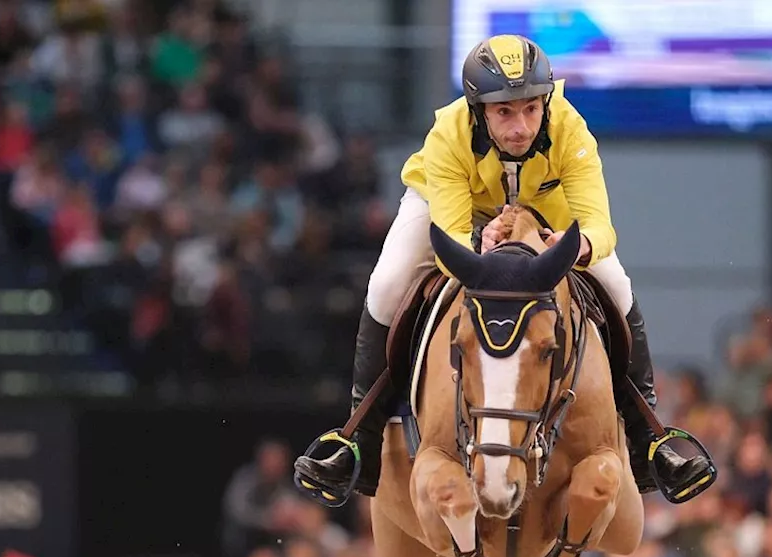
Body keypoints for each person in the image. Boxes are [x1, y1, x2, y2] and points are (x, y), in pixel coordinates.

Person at [294, 34, 715, 505]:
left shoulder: (571, 129)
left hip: (546, 213)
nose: (521, 126)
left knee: (616, 285)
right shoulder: (448, 134)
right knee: (388, 283)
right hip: (455, 211)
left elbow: (599, 224)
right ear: (479, 110)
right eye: (504, 112)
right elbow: (450, 236)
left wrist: (579, 247)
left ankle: (649, 441)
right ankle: (358, 441)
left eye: (532, 109)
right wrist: (479, 243)